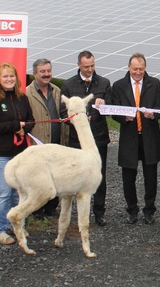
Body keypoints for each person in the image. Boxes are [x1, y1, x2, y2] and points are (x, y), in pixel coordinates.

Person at [0, 62, 34, 245]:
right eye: (5, 76)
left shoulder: (22, 98)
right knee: (3, 192)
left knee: (16, 194)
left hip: (19, 154)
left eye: (12, 76)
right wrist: (15, 126)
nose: (9, 79)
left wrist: (25, 129)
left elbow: (30, 120)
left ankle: (16, 225)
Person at [110, 53, 160, 225]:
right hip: (129, 137)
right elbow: (114, 110)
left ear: (145, 68)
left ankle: (149, 210)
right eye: (135, 69)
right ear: (128, 68)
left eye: (141, 69)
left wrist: (153, 114)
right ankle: (132, 209)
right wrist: (124, 118)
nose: (138, 72)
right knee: (128, 177)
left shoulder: (154, 83)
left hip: (150, 137)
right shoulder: (119, 86)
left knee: (151, 177)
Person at [60, 50, 111, 226]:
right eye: (86, 66)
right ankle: (76, 213)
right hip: (77, 140)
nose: (90, 69)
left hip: (98, 137)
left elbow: (111, 107)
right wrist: (78, 122)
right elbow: (62, 113)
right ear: (78, 65)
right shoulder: (68, 85)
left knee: (98, 175)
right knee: (75, 175)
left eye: (92, 66)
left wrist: (104, 105)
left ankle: (99, 212)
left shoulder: (104, 83)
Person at [25, 58, 68, 219]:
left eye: (48, 71)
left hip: (57, 144)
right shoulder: (27, 93)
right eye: (42, 71)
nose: (46, 74)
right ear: (35, 73)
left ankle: (51, 207)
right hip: (38, 143)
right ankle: (36, 209)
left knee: (56, 176)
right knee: (38, 178)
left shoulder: (57, 91)